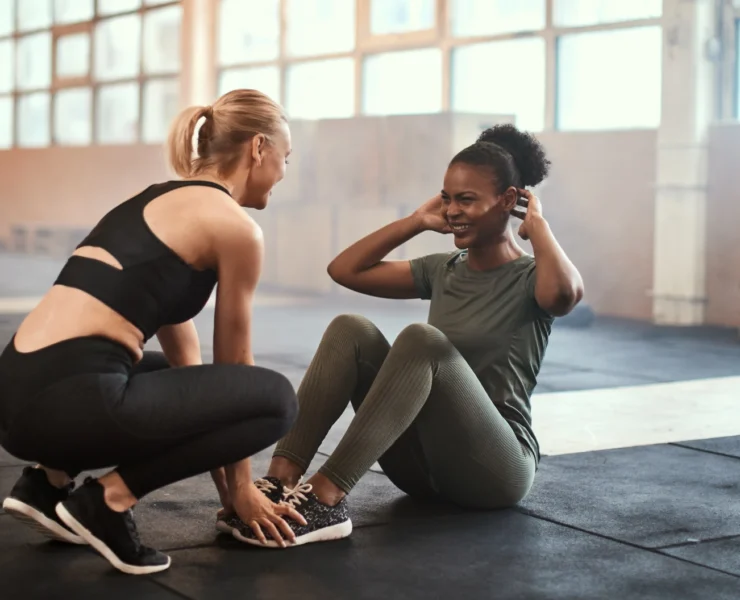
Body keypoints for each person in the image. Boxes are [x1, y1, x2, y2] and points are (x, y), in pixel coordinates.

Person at [220, 123, 584, 548]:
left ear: (509, 201)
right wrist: (414, 222)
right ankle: (278, 484)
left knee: (422, 340)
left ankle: (325, 499)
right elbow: (344, 270)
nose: (452, 211)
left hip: (494, 472)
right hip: (421, 469)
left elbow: (563, 294)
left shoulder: (531, 277)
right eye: (447, 198)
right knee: (350, 329)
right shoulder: (444, 269)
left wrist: (538, 226)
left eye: (466, 200)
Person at [0, 88, 307, 575]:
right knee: (275, 399)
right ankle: (107, 501)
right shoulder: (236, 228)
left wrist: (228, 490)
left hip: (17, 393)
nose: (285, 172)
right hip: (69, 400)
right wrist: (246, 489)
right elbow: (235, 364)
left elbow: (195, 377)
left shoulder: (157, 201)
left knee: (179, 376)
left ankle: (48, 483)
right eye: (285, 157)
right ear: (258, 148)